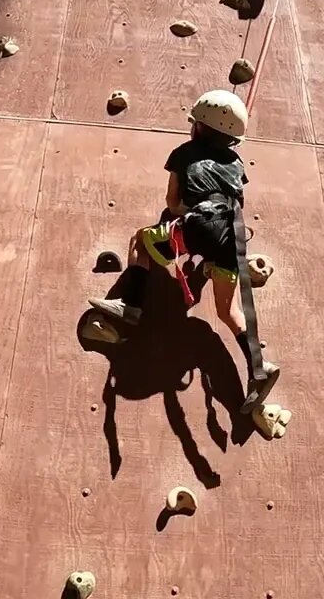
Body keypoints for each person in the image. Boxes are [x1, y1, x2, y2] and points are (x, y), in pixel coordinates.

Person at [89, 89, 280, 412]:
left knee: (140, 240)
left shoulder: (184, 153)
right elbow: (237, 204)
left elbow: (173, 202)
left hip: (198, 225)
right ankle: (259, 367)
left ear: (199, 128)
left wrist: (183, 223)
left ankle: (130, 304)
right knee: (229, 312)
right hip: (232, 238)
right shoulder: (236, 164)